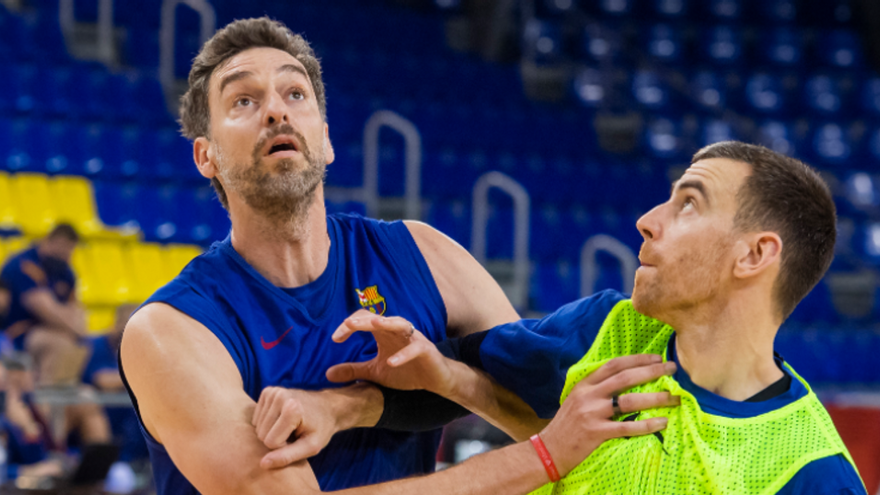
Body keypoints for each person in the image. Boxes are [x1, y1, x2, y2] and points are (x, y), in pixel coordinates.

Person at [119, 16, 677, 495]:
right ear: (206, 156)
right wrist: (545, 457)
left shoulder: (424, 254)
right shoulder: (170, 333)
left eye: (295, 94)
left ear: (327, 138)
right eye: (244, 100)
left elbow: (529, 408)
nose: (275, 112)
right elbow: (548, 443)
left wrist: (376, 400)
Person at [318, 142, 867, 494]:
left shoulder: (811, 470)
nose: (647, 221)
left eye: (689, 205)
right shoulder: (608, 328)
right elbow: (444, 375)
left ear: (754, 255)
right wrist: (336, 406)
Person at [0, 224, 88, 386]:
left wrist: (78, 330)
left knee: (79, 344)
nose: (64, 255)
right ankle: (46, 398)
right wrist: (77, 330)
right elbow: (44, 309)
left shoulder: (65, 271)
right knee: (57, 342)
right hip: (18, 333)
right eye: (60, 249)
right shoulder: (24, 264)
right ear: (48, 241)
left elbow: (76, 309)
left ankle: (62, 396)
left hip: (53, 331)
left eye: (68, 251)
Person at [82, 304, 147, 464]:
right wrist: (140, 376)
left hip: (129, 421)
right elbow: (102, 380)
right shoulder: (95, 345)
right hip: (103, 416)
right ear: (116, 323)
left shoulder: (139, 345)